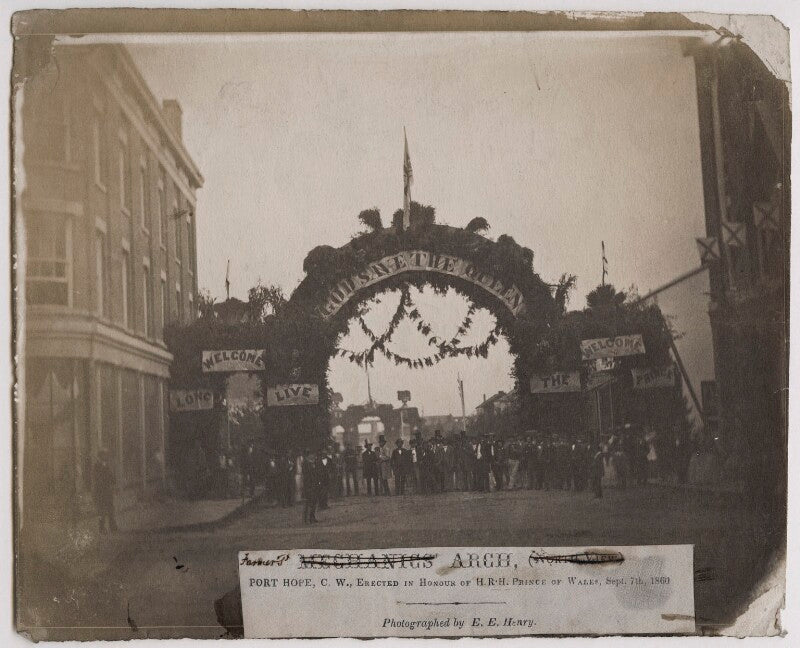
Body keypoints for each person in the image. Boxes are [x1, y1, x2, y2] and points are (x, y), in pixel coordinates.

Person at [93, 448, 117, 533]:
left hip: (108, 490)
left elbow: (110, 476)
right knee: (102, 510)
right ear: (100, 456)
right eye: (104, 455)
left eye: (106, 455)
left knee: (111, 508)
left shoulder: (106, 464)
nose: (106, 456)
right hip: (101, 491)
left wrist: (113, 481)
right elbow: (98, 479)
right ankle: (102, 528)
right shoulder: (96, 466)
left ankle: (113, 526)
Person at [302, 451, 322, 524]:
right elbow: (306, 476)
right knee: (309, 502)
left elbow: (316, 473)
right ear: (308, 455)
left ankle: (312, 517)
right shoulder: (305, 463)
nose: (313, 456)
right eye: (312, 454)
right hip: (309, 486)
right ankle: (307, 519)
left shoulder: (313, 463)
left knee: (314, 501)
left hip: (315, 485)